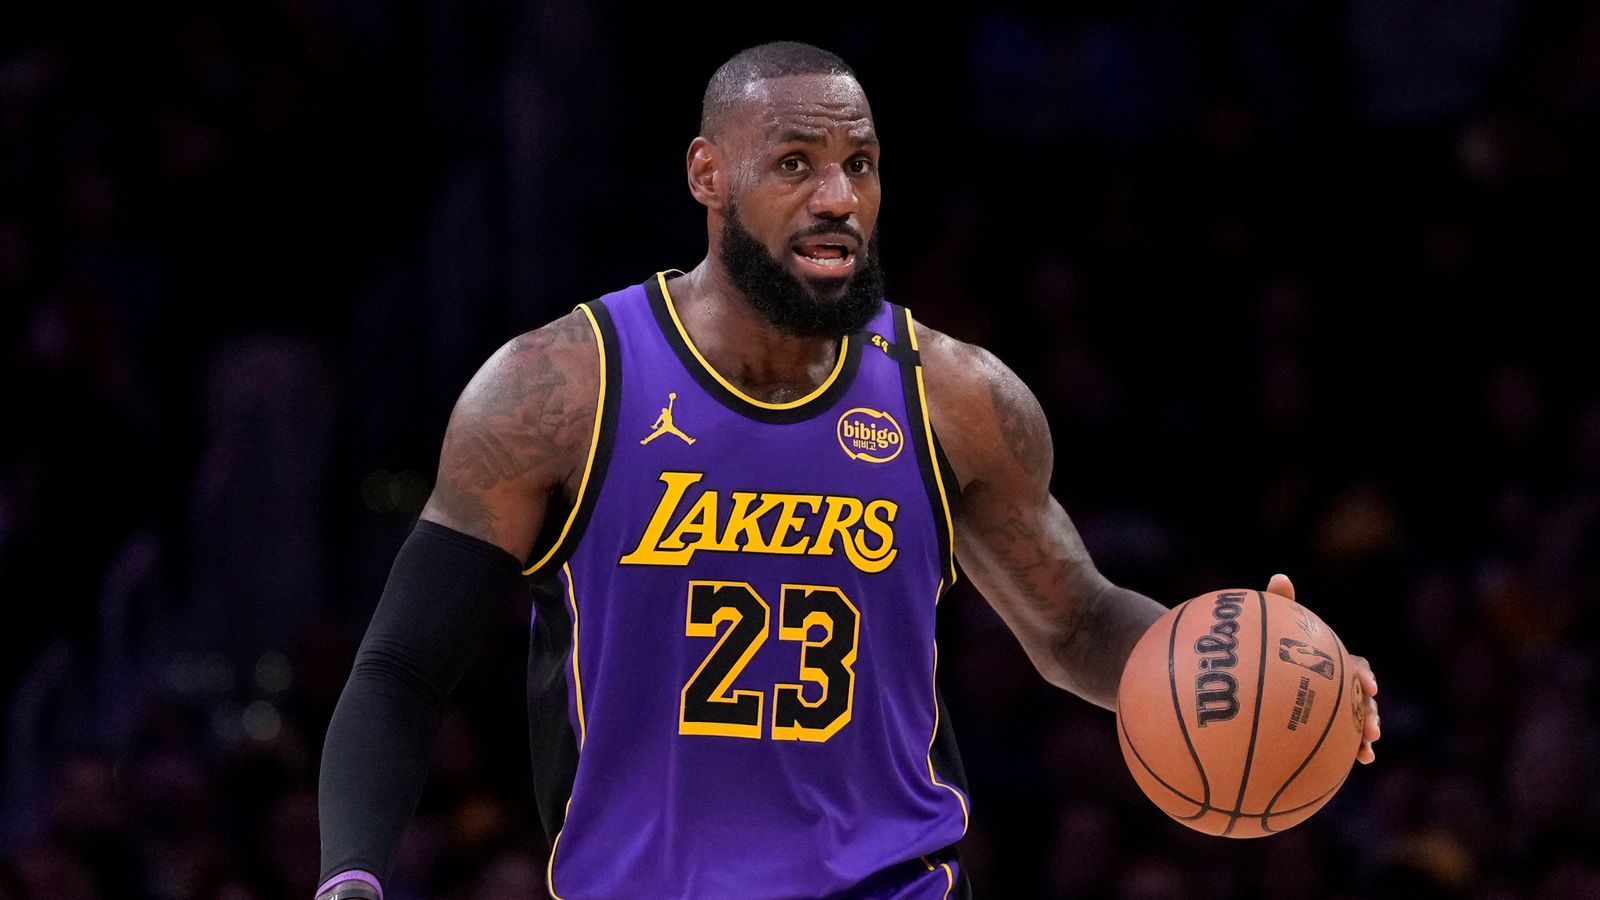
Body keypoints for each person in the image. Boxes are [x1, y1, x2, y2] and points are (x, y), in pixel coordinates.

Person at [315, 41, 1382, 900]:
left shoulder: (955, 396)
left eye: (858, 164)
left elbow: (1078, 628)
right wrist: (353, 874)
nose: (837, 196)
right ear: (707, 174)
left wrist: (1244, 661)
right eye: (794, 164)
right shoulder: (558, 390)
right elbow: (403, 670)